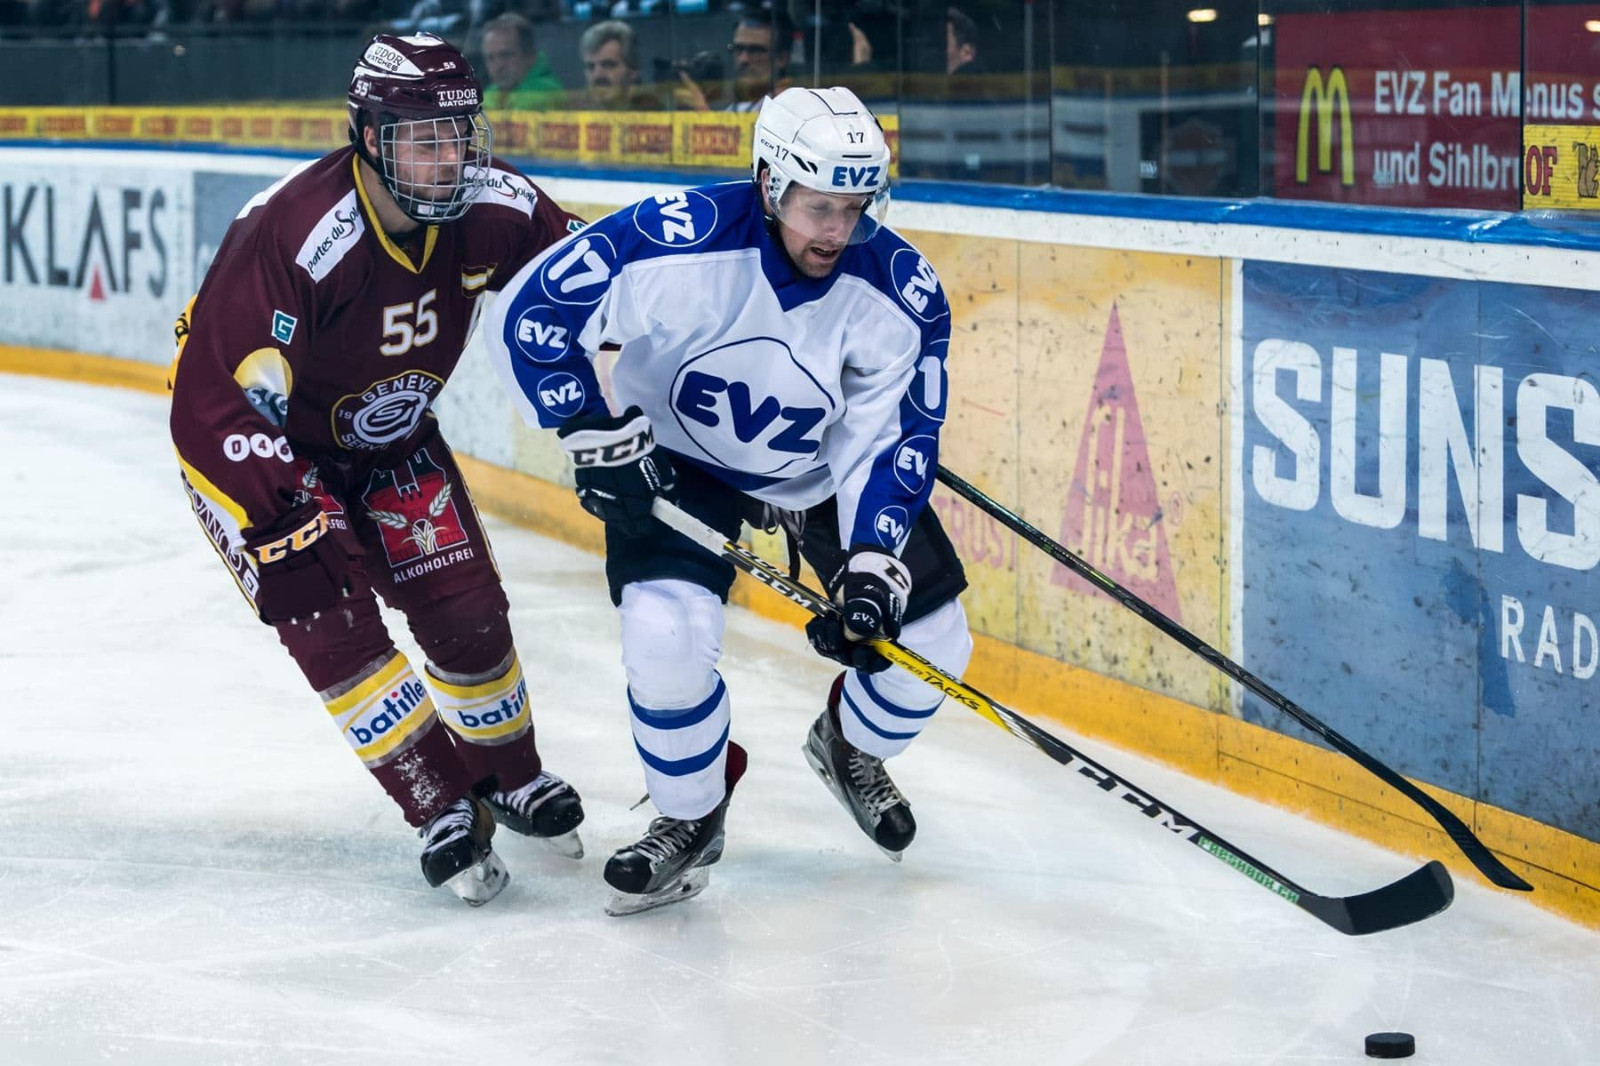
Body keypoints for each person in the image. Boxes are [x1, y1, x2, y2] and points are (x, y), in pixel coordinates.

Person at [482, 86, 974, 916]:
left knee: (934, 643)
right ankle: (690, 815)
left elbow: (890, 437)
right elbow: (533, 313)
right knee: (664, 635)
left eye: (856, 207)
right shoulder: (680, 237)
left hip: (816, 470)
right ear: (769, 182)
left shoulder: (900, 292)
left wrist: (872, 558)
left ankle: (849, 746)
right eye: (820, 206)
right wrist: (590, 430)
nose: (838, 230)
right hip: (678, 461)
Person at [168, 32, 589, 907]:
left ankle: (511, 775)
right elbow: (215, 398)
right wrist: (279, 511)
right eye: (422, 140)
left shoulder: (497, 206)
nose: (449, 160)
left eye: (459, 135)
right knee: (331, 616)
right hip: (266, 457)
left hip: (393, 442)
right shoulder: (295, 231)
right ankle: (439, 802)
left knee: (468, 610)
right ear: (368, 136)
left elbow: (593, 286)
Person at [677, 8, 791, 113]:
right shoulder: (740, 108)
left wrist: (702, 114)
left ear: (781, 59)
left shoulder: (790, 108)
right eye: (738, 49)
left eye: (756, 50)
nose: (743, 59)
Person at [480, 12, 565, 111]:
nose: (498, 66)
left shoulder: (546, 94)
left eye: (506, 55)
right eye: (490, 58)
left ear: (529, 56)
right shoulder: (490, 94)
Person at [569, 20, 657, 110]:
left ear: (633, 70)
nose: (597, 75)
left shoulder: (654, 113)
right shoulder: (575, 112)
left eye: (608, 65)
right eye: (590, 67)